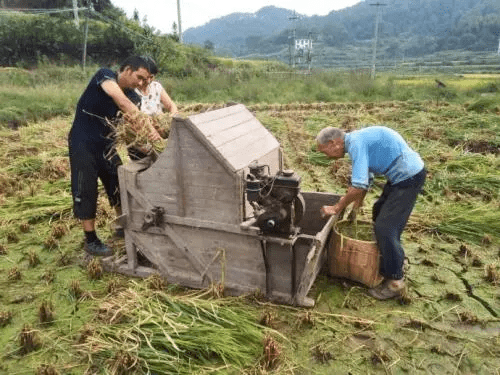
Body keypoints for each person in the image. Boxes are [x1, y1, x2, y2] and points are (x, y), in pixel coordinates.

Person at [316, 126, 426, 300]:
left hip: (408, 177)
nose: (326, 157)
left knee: (385, 227)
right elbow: (365, 180)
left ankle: (394, 281)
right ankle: (388, 255)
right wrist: (356, 206)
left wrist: (337, 208)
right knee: (379, 211)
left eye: (325, 152)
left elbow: (358, 185)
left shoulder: (356, 144)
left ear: (333, 143)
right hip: (401, 175)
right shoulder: (355, 141)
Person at [68, 56, 161, 257]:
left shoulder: (135, 97)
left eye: (146, 81)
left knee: (118, 182)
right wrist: (149, 127)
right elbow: (122, 102)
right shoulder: (105, 76)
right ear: (127, 70)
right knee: (86, 187)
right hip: (82, 141)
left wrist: (151, 143)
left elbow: (132, 125)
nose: (142, 84)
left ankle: (122, 226)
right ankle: (90, 239)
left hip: (106, 144)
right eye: (140, 77)